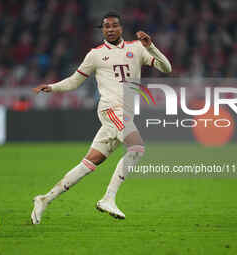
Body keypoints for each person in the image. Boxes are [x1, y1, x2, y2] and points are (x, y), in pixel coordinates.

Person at [31, 11, 171, 224]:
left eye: (114, 25)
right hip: (111, 110)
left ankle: (44, 199)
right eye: (106, 26)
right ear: (102, 30)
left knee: (88, 163)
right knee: (137, 148)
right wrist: (52, 87)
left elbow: (166, 68)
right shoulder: (95, 54)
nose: (111, 29)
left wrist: (151, 46)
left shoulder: (136, 48)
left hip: (124, 113)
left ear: (121, 28)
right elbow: (74, 81)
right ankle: (108, 198)